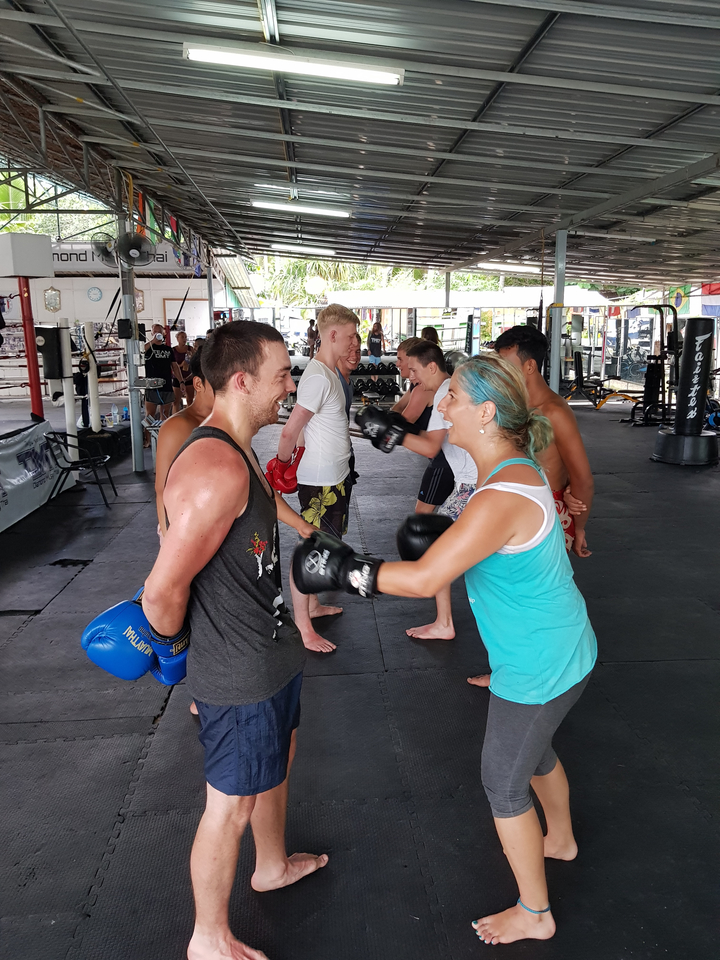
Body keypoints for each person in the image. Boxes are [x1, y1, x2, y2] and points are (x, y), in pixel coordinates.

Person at [293, 353, 597, 946]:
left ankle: (536, 913)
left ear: (485, 412)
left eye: (453, 397)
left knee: (503, 782)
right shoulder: (514, 467)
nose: (442, 404)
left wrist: (345, 570)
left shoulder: (499, 494)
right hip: (560, 645)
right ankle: (559, 838)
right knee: (535, 756)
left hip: (540, 661)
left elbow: (423, 580)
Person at [142, 321, 327, 960]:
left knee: (278, 763)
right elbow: (161, 593)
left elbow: (255, 507)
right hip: (239, 669)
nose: (290, 386)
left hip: (270, 650)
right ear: (242, 380)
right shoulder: (214, 464)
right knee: (231, 804)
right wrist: (172, 653)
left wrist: (304, 528)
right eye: (281, 374)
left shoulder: (240, 447)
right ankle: (208, 937)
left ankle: (270, 865)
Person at [357, 339, 476, 640]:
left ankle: (446, 622)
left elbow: (429, 446)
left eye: (414, 370)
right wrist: (391, 426)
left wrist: (391, 432)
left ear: (431, 367)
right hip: (466, 481)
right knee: (440, 548)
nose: (410, 376)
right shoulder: (441, 391)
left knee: (439, 548)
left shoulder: (445, 394)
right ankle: (444, 621)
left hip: (475, 485)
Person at [272, 303, 360, 653]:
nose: (355, 342)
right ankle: (303, 624)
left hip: (334, 475)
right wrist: (281, 468)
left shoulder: (329, 374)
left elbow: (308, 430)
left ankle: (313, 605)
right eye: (351, 335)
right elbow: (289, 431)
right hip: (319, 481)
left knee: (325, 545)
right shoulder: (316, 378)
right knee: (309, 548)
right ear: (333, 335)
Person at [392, 337, 435, 431]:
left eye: (400, 359)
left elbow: (402, 425)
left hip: (429, 443)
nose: (397, 364)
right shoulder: (415, 385)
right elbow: (399, 406)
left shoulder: (424, 388)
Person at [143, 324, 175, 436]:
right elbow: (141, 350)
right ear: (152, 333)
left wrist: (181, 381)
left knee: (165, 413)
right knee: (150, 414)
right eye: (155, 331)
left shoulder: (168, 349)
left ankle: (163, 437)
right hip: (152, 386)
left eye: (159, 331)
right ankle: (147, 439)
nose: (157, 333)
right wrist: (153, 341)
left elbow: (174, 366)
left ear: (163, 333)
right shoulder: (148, 347)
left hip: (166, 384)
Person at [171, 330, 195, 414]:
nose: (184, 339)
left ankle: (190, 417)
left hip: (188, 376)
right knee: (176, 401)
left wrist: (190, 359)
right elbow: (172, 365)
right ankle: (175, 419)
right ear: (177, 338)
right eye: (182, 337)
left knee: (190, 400)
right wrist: (181, 365)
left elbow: (195, 362)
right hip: (177, 377)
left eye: (185, 337)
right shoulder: (173, 350)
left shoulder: (190, 349)